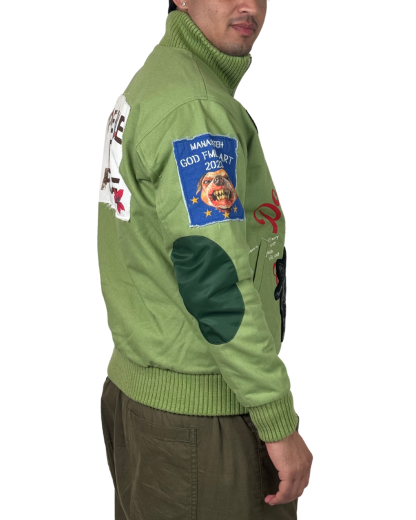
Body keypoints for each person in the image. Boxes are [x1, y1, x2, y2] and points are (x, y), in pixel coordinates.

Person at [98, 1, 313, 518]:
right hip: (200, 422)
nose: (249, 6)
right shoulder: (194, 109)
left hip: (148, 399)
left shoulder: (160, 80)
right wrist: (276, 418)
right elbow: (213, 279)